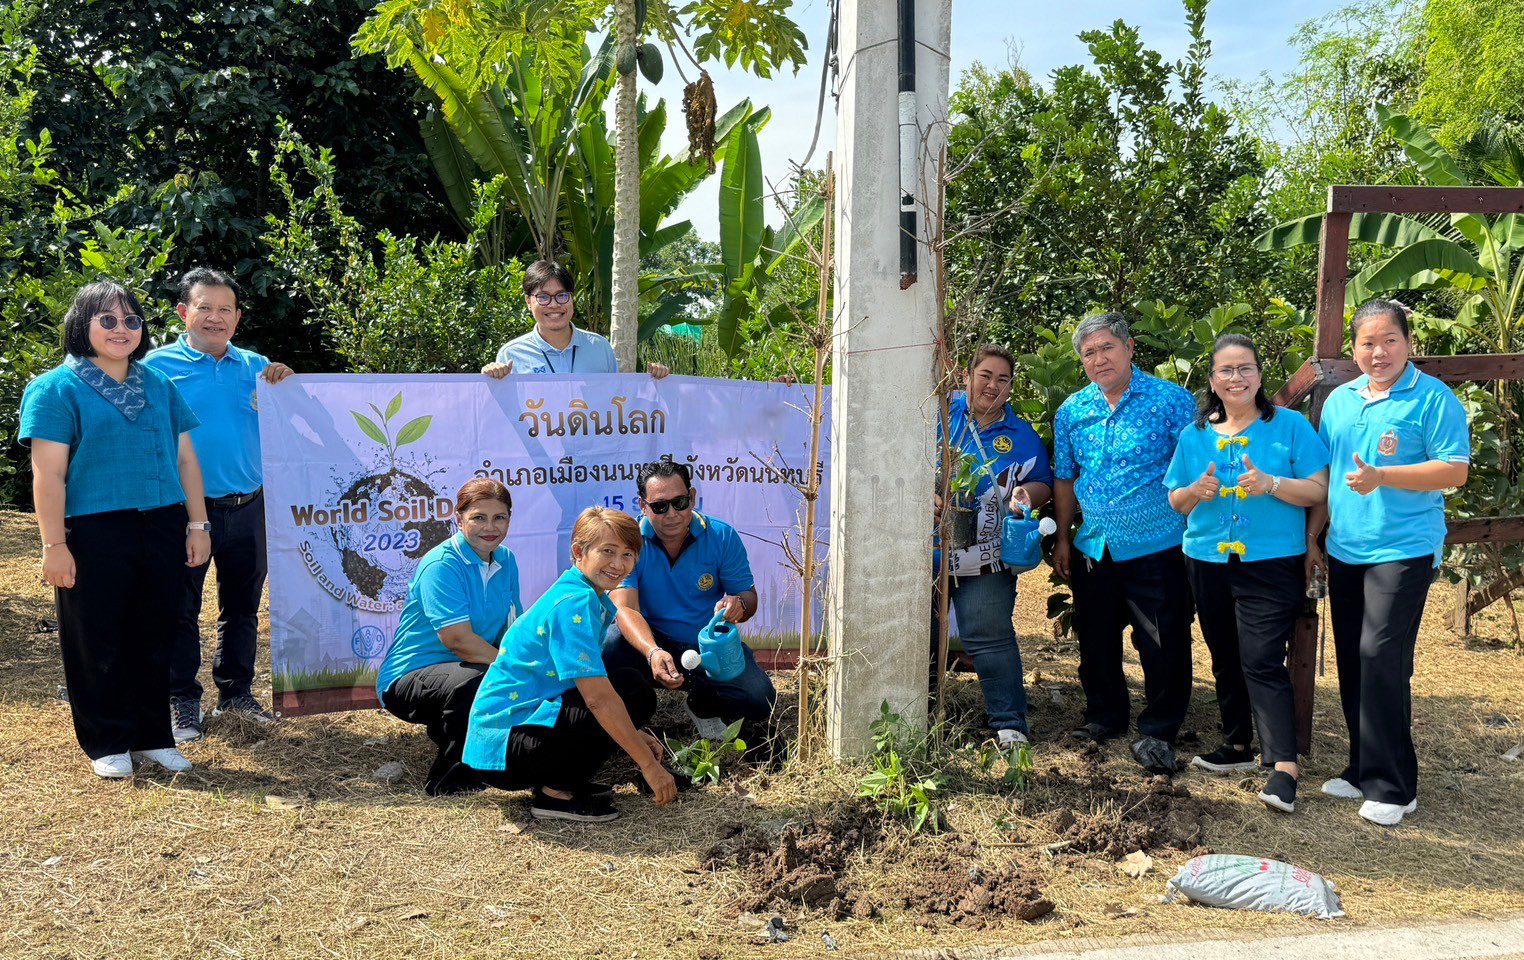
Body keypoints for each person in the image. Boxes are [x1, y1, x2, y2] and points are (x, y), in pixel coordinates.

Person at [20, 280, 212, 778]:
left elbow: (186, 459)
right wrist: (53, 545)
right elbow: (48, 474)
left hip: (164, 523)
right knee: (96, 634)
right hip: (92, 529)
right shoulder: (54, 388)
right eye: (106, 319)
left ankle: (152, 736)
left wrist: (197, 523)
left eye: (131, 320)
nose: (121, 329)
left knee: (156, 631)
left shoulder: (158, 385)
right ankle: (107, 739)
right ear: (82, 325)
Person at [1317, 299, 1469, 827]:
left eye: (1389, 341)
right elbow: (1326, 475)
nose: (1378, 352)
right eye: (1367, 342)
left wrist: (1385, 477)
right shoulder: (1339, 400)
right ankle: (1362, 767)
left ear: (1408, 343)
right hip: (1346, 548)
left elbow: (1454, 471)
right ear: (1353, 348)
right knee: (1355, 660)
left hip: (1403, 548)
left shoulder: (1432, 398)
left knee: (1381, 656)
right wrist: (1315, 537)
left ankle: (1395, 786)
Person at [1165, 334, 1330, 814]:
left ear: (1259, 376)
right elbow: (1175, 500)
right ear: (1212, 381)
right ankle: (1237, 745)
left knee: (1260, 657)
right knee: (1224, 653)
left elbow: (1319, 490)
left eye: (1245, 369)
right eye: (1225, 371)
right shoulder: (1194, 436)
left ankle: (1283, 767)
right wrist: (1196, 489)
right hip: (1206, 560)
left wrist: (1272, 484)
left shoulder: (1290, 427)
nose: (1235, 378)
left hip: (1271, 562)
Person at [143, 268, 294, 740]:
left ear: (237, 317)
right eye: (204, 308)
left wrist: (286, 382)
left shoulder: (258, 367)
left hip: (249, 507)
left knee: (243, 607)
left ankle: (236, 692)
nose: (215, 317)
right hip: (183, 511)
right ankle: (182, 700)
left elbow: (291, 422)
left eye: (224, 309)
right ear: (183, 313)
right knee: (179, 607)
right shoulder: (154, 368)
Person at [1051, 312, 1198, 774]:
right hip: (1095, 545)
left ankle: (1159, 728)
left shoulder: (1171, 400)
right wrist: (1062, 537)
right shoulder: (1072, 411)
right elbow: (1065, 478)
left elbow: (1195, 467)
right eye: (1089, 352)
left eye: (1107, 348)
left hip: (1159, 543)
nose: (1099, 359)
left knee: (1162, 640)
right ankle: (1104, 717)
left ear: (1129, 347)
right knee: (1095, 637)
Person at [463, 507, 677, 821]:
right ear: (579, 551)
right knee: (629, 691)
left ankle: (562, 781)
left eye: (628, 554)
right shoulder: (574, 602)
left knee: (627, 682)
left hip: (509, 739)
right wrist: (649, 765)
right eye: (608, 551)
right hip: (504, 748)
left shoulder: (583, 593)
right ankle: (555, 795)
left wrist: (633, 734)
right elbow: (596, 698)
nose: (618, 564)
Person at [603, 459, 777, 742]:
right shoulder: (629, 542)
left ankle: (702, 704)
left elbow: (749, 597)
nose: (671, 513)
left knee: (760, 699)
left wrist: (739, 605)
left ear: (692, 497)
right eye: (659, 506)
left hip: (707, 644)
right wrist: (652, 652)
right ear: (643, 506)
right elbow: (624, 608)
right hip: (650, 643)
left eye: (680, 502)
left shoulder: (721, 535)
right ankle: (631, 724)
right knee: (608, 646)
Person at [934, 344, 1053, 748]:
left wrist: (1027, 494)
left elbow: (1044, 483)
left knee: (989, 634)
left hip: (987, 556)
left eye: (1003, 379)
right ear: (966, 377)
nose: (992, 385)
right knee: (917, 633)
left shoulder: (1022, 436)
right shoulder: (936, 415)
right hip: (925, 554)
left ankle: (1008, 723)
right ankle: (917, 711)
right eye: (985, 375)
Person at [376, 479, 522, 795]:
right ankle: (450, 780)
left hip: (465, 669)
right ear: (459, 519)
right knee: (482, 679)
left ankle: (463, 739)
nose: (490, 527)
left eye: (500, 517)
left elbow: (512, 627)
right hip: (409, 677)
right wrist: (512, 668)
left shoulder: (506, 560)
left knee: (491, 676)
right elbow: (457, 640)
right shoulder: (441, 565)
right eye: (479, 518)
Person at [481, 260, 669, 379]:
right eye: (543, 297)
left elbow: (618, 404)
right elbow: (503, 414)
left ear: (572, 298)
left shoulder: (599, 347)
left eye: (562, 295)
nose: (554, 305)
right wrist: (491, 380)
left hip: (593, 443)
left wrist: (657, 383)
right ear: (529, 301)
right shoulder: (511, 355)